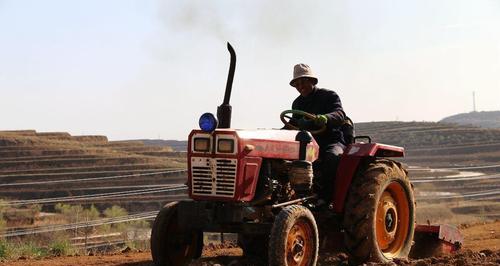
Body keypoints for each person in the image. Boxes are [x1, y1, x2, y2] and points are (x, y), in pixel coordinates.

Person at [288, 63, 348, 204]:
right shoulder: (297, 103)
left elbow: (339, 114)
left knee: (332, 157)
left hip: (331, 140)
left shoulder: (329, 96)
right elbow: (292, 123)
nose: (300, 86)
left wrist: (326, 118)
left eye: (303, 82)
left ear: (312, 81)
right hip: (308, 144)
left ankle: (326, 199)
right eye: (297, 84)